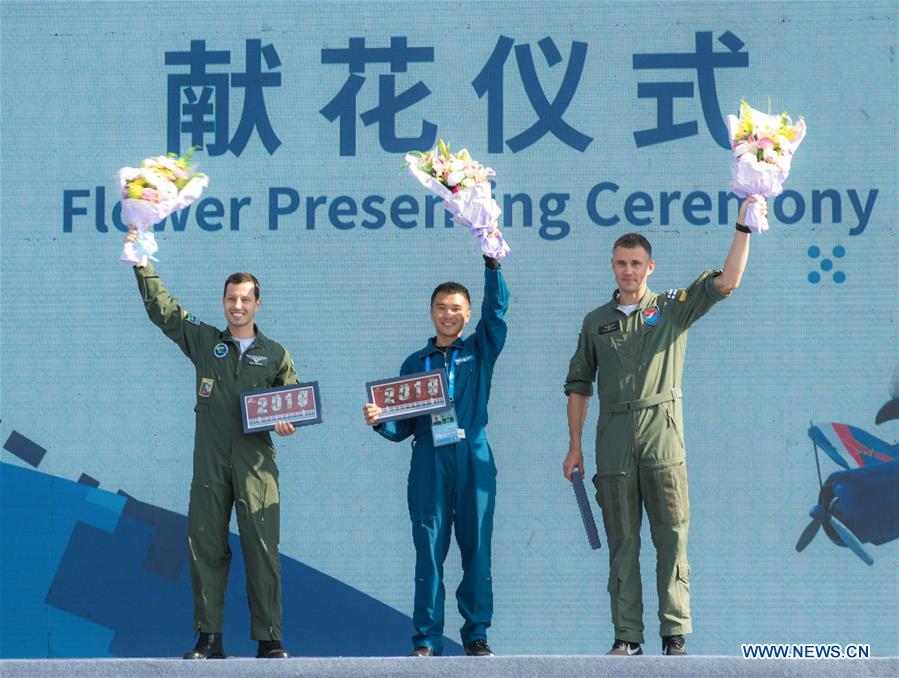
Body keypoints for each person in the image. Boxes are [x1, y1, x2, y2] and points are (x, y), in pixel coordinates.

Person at [562, 197, 765, 656]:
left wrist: (743, 227)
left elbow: (728, 281)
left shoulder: (673, 307)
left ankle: (674, 634)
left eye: (636, 263)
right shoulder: (596, 323)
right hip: (612, 439)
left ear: (650, 266)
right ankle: (626, 638)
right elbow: (579, 385)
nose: (628, 271)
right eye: (620, 263)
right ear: (612, 267)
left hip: (662, 433)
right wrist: (573, 446)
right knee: (622, 541)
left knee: (672, 534)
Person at [123, 228, 298, 660]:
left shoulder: (274, 353)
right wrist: (142, 261)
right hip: (210, 462)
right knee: (204, 546)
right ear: (224, 303)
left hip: (256, 465)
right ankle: (210, 637)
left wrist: (285, 422)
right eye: (230, 299)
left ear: (258, 304)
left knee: (261, 549)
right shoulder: (206, 342)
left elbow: (291, 400)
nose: (237, 306)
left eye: (245, 299)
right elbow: (164, 311)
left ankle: (270, 638)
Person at [363, 253, 509, 657]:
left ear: (467, 315)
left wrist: (493, 269)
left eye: (456, 309)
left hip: (472, 453)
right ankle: (426, 639)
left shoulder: (480, 350)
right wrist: (380, 420)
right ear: (431, 312)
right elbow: (401, 426)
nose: (448, 315)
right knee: (428, 549)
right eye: (441, 308)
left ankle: (476, 634)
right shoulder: (416, 363)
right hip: (429, 456)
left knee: (477, 548)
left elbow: (496, 313)